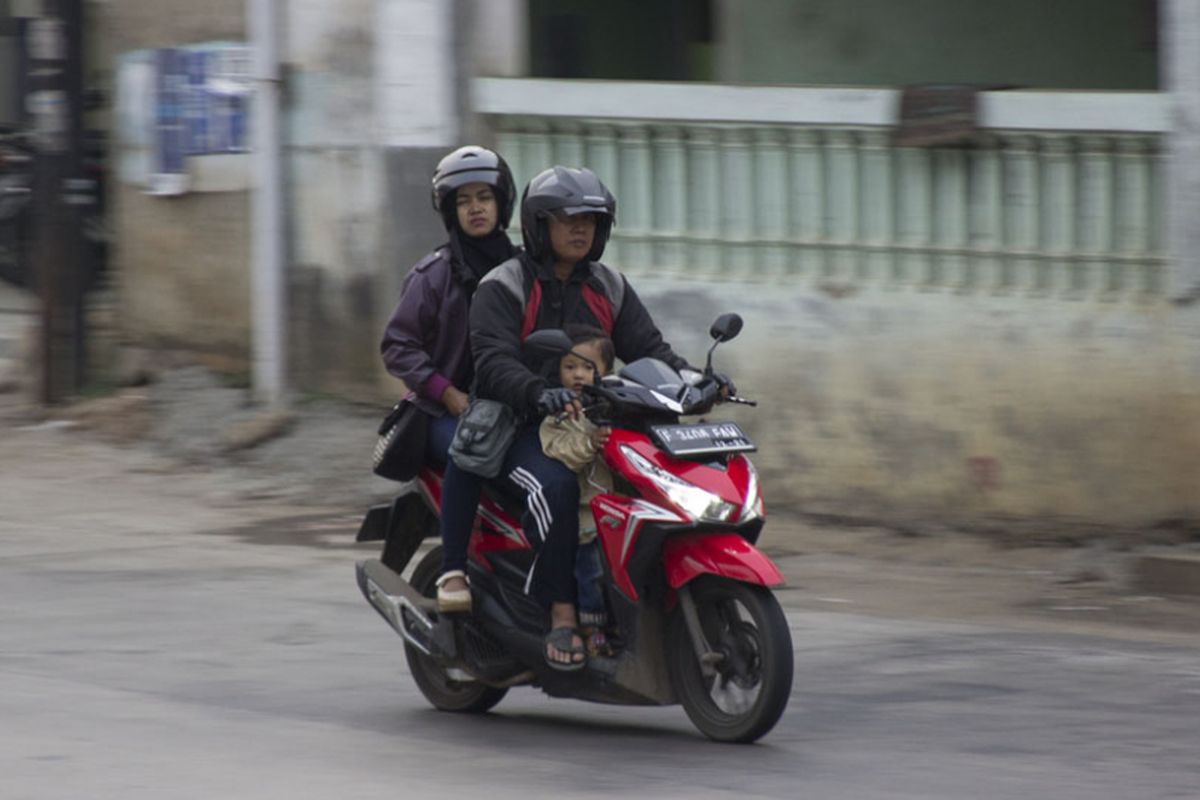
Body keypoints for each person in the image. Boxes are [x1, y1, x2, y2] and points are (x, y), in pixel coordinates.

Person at [468, 165, 712, 671]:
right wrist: (538, 392)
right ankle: (561, 611)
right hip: (521, 427)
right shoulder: (505, 284)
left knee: (651, 482)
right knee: (556, 489)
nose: (580, 229)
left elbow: (650, 349)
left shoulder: (609, 285)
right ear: (539, 225)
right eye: (567, 219)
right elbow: (491, 361)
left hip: (595, 425)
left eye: (591, 220)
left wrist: (697, 380)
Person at [379, 145, 517, 612]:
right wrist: (448, 392)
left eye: (484, 197)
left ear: (502, 203)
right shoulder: (434, 274)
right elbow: (397, 346)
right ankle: (454, 570)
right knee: (471, 446)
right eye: (463, 200)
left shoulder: (523, 270)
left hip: (513, 404)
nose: (475, 208)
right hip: (444, 410)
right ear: (449, 211)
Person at [538, 325, 616, 656]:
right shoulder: (557, 414)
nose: (579, 375)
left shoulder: (617, 404)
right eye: (570, 367)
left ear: (607, 371)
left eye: (588, 367)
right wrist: (589, 442)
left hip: (619, 510)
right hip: (587, 513)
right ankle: (592, 627)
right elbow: (558, 451)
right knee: (592, 572)